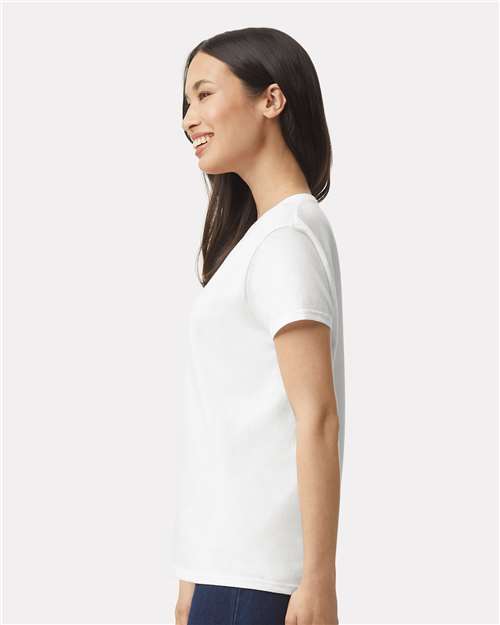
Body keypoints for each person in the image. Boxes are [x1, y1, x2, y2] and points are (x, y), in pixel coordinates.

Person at [173, 27, 345, 625]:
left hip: (260, 582)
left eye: (204, 94)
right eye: (186, 102)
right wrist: (193, 573)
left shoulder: (287, 238)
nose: (188, 119)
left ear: (271, 99)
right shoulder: (261, 240)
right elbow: (224, 428)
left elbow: (316, 416)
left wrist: (318, 580)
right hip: (227, 573)